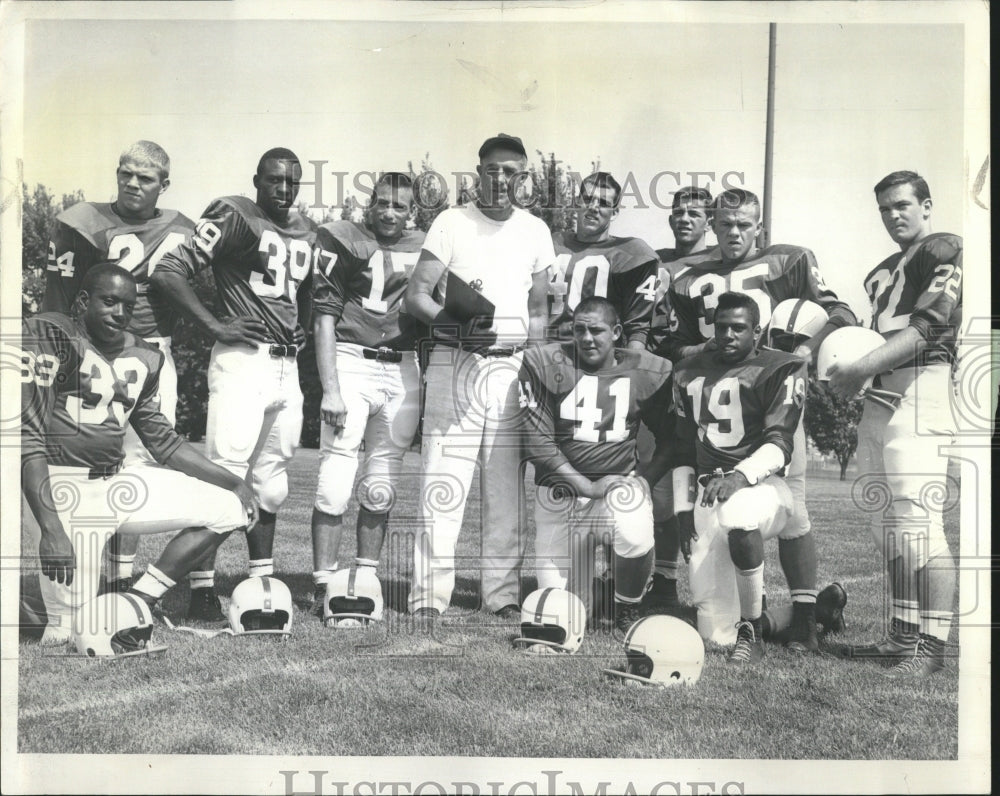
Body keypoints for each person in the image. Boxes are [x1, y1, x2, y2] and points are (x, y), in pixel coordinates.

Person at [662, 188, 857, 651]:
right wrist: (710, 352)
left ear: (760, 228)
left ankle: (807, 617)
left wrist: (806, 350)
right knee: (735, 526)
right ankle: (772, 614)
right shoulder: (690, 278)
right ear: (713, 224)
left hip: (775, 394)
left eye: (744, 225)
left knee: (795, 515)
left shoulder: (788, 262)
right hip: (720, 397)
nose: (734, 232)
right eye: (725, 224)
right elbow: (673, 346)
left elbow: (840, 311)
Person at [19, 264, 256, 644]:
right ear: (82, 301)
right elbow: (27, 439)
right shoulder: (51, 335)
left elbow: (163, 441)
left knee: (230, 508)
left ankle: (138, 598)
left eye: (127, 305)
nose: (119, 313)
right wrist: (51, 529)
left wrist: (233, 482)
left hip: (117, 480)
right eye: (109, 301)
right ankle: (25, 604)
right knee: (68, 631)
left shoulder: (143, 354)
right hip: (62, 485)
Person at [152, 147, 317, 621]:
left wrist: (301, 324)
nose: (283, 190)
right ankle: (201, 589)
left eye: (292, 182)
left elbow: (303, 289)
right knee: (224, 477)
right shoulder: (236, 215)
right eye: (274, 181)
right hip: (244, 361)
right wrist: (215, 325)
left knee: (271, 483)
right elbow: (170, 271)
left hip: (286, 368)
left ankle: (259, 580)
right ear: (256, 180)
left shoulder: (307, 230)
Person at [404, 133, 554, 621]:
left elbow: (538, 311)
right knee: (442, 480)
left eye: (512, 171)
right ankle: (428, 594)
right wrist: (456, 331)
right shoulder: (451, 221)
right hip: (457, 360)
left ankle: (502, 595)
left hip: (512, 368)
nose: (501, 179)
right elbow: (418, 295)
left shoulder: (535, 230)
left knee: (505, 488)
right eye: (492, 170)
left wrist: (535, 368)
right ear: (479, 172)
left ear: (524, 177)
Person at [39, 140, 195, 596]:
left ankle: (119, 574)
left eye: (144, 178)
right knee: (87, 456)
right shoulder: (81, 221)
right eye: (125, 173)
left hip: (151, 355)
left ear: (163, 185)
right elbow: (56, 295)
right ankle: (80, 562)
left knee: (140, 460)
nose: (131, 183)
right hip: (91, 351)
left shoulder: (183, 227)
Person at [828, 171, 961, 677]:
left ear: (926, 205)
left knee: (920, 528)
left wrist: (860, 367)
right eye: (884, 208)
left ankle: (932, 648)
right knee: (889, 530)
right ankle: (902, 636)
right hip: (880, 396)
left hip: (920, 389)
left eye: (902, 205)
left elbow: (931, 326)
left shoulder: (944, 248)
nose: (892, 215)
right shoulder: (881, 270)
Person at [519, 297, 674, 636]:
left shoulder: (646, 371)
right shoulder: (545, 363)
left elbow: (672, 438)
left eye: (596, 330)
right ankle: (597, 591)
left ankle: (626, 608)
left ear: (617, 332)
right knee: (563, 617)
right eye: (579, 330)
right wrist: (587, 486)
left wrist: (645, 480)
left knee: (633, 517)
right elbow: (537, 443)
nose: (587, 338)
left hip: (611, 496)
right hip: (558, 496)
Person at [309, 172, 425, 616]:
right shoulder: (342, 239)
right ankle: (324, 581)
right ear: (369, 204)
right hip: (351, 361)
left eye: (399, 206)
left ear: (411, 211)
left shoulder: (426, 246)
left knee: (381, 485)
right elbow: (323, 317)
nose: (389, 213)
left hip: (402, 369)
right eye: (382, 203)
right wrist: (331, 388)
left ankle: (366, 575)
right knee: (334, 483)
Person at [671, 292, 808, 662]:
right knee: (715, 635)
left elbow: (780, 445)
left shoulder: (781, 367)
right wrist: (683, 510)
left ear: (757, 331)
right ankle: (814, 611)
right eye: (722, 327)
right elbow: (683, 450)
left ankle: (752, 631)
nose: (728, 335)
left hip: (764, 487)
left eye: (739, 328)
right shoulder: (688, 371)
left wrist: (739, 476)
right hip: (707, 491)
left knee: (739, 514)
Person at [642, 186, 715, 614]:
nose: (684, 218)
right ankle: (664, 582)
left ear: (709, 221)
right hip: (657, 376)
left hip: (701, 381)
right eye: (678, 211)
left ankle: (727, 590)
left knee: (703, 486)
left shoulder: (718, 263)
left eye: (694, 212)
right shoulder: (654, 259)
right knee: (660, 488)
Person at [547, 171, 659, 350]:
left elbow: (637, 328)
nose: (593, 207)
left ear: (614, 213)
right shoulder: (551, 242)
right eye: (587, 199)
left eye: (603, 203)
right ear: (577, 203)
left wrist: (628, 370)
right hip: (549, 351)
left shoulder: (632, 253)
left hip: (599, 357)